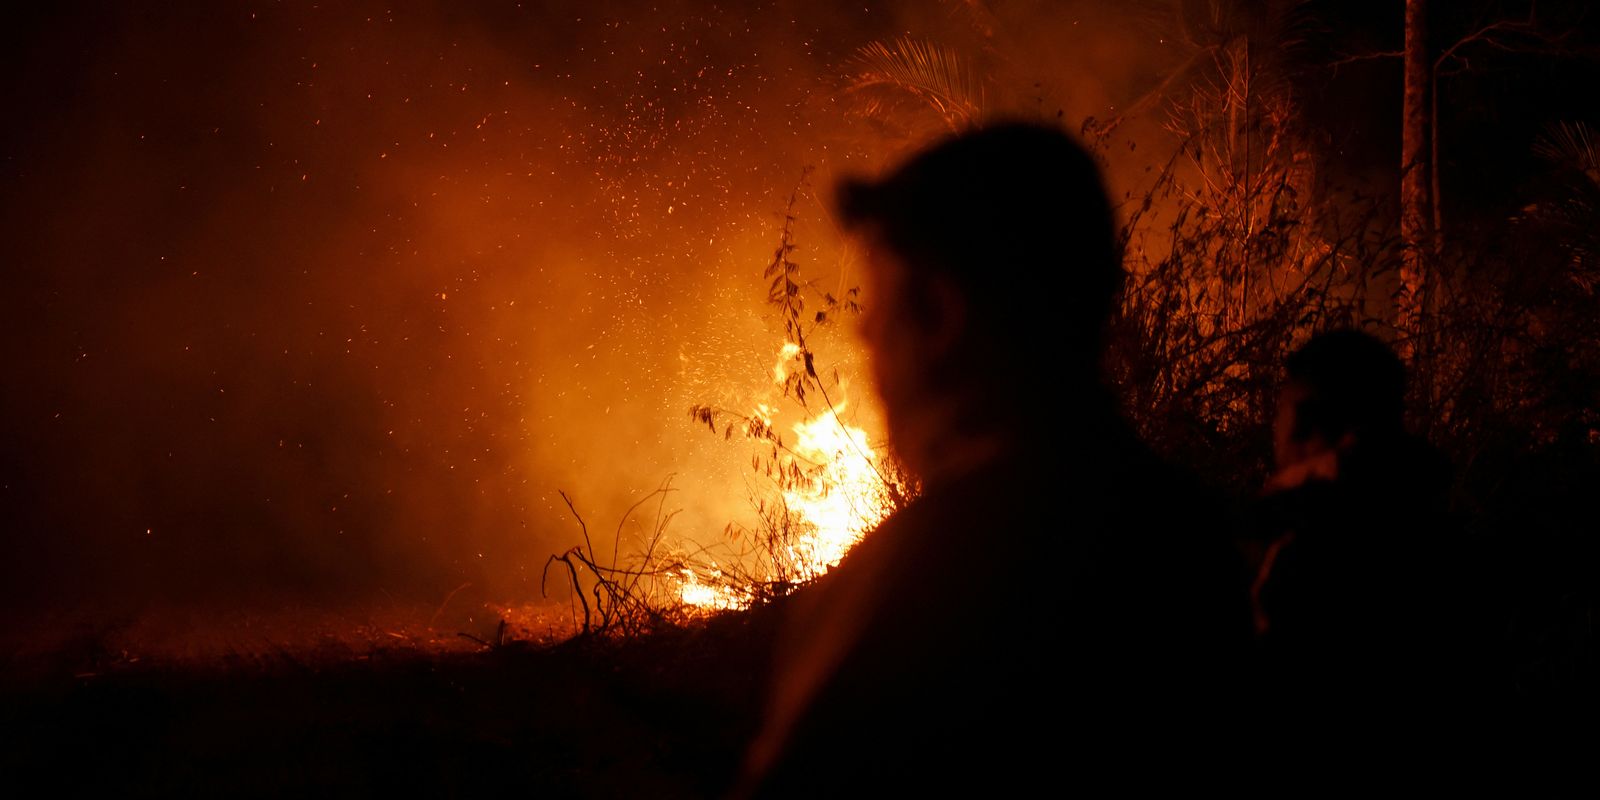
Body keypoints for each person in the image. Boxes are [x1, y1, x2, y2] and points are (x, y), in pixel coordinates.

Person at [733, 122, 1253, 797]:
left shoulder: (916, 579)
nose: (864, 329)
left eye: (879, 297)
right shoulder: (1188, 534)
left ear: (941, 314)